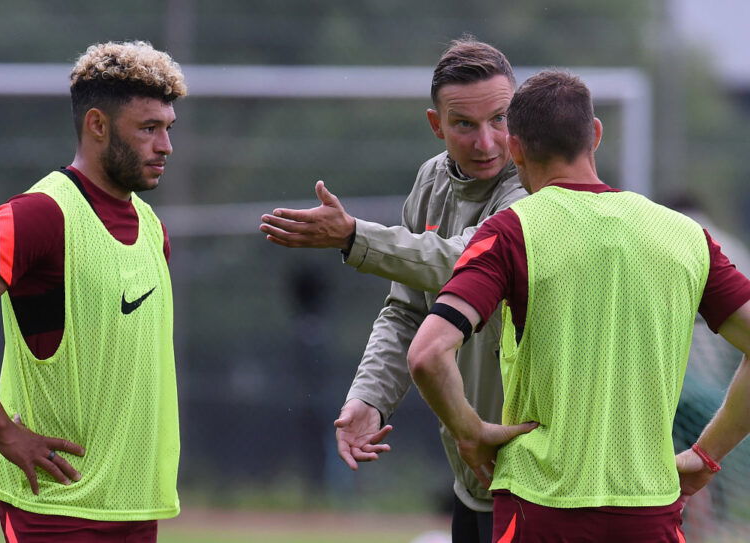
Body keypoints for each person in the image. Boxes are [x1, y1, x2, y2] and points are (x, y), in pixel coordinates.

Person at [406, 70, 750, 542]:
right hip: (648, 510)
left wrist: (470, 432)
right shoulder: (684, 236)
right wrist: (707, 455)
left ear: (515, 148)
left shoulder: (511, 232)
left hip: (538, 506)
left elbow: (427, 354)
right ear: (596, 136)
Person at [260, 37, 527, 542]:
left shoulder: (530, 184)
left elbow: (472, 260)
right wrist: (370, 397)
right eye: (465, 124)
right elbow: (407, 310)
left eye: (500, 119)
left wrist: (354, 236)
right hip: (472, 469)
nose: (487, 142)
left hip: (529, 470)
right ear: (436, 125)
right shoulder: (430, 181)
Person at [0, 41, 186, 542]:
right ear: (97, 125)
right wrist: (5, 431)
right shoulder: (37, 215)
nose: (165, 146)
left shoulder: (152, 228)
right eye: (148, 128)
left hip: (136, 507)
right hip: (51, 509)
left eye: (167, 129)